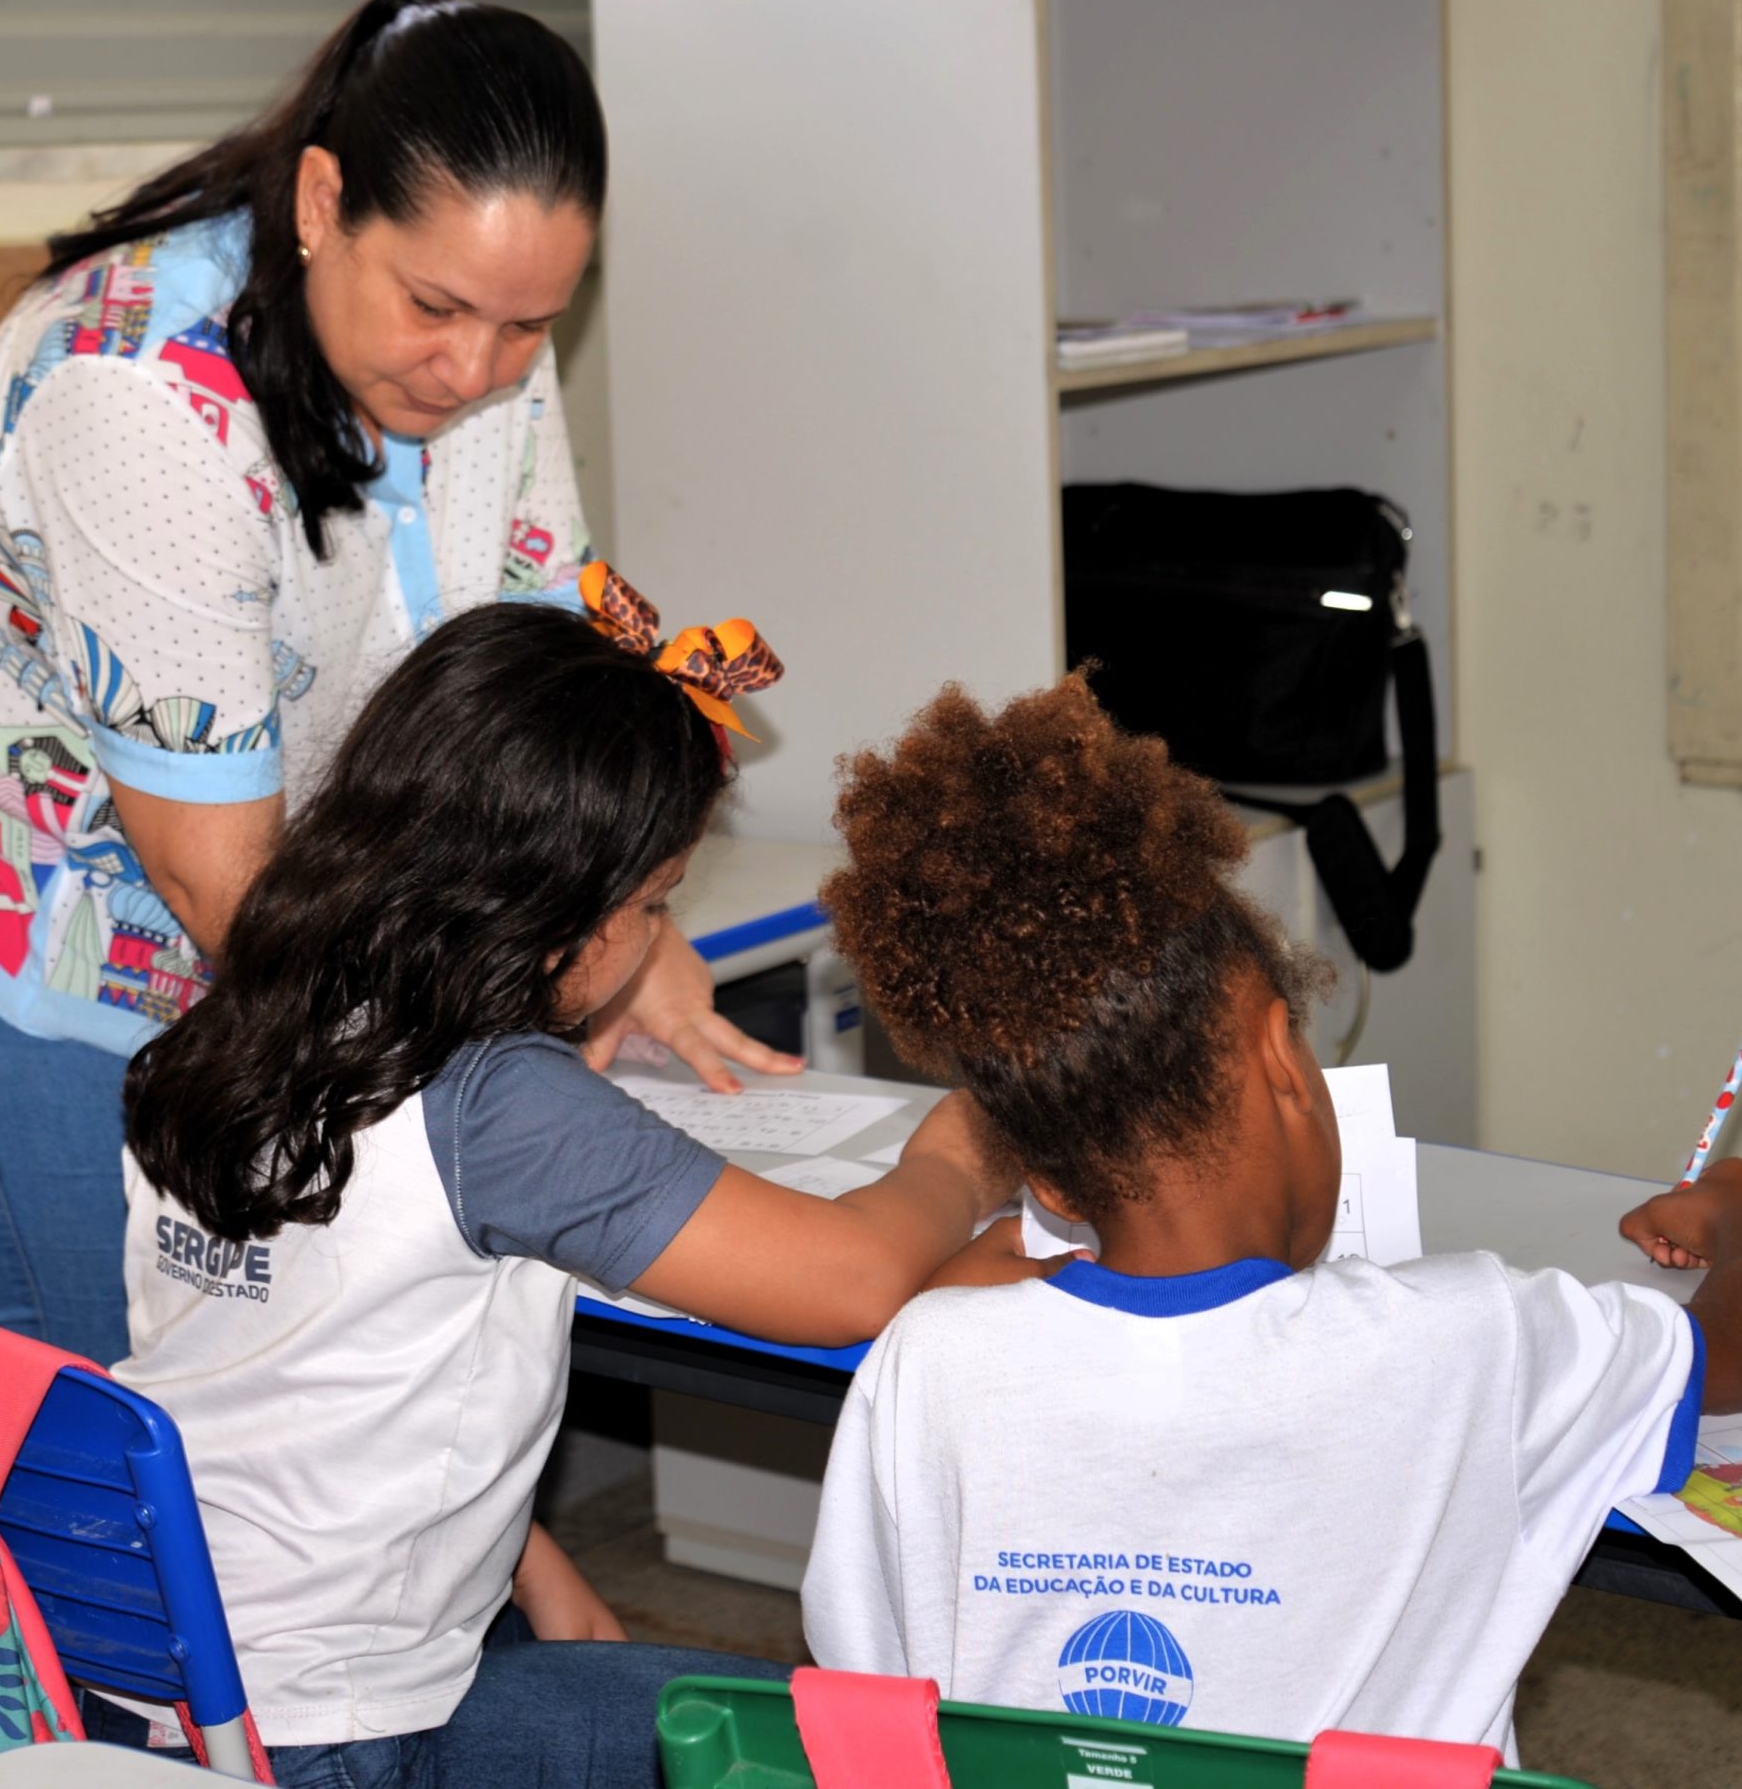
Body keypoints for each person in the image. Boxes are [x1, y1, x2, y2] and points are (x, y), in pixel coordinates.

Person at [0, 0, 789, 1367]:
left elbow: (532, 689)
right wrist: (499, 1078)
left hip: (319, 978)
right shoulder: (143, 395)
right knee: (137, 1472)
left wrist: (624, 927)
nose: (477, 367)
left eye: (531, 325)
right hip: (63, 986)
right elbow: (220, 880)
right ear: (321, 201)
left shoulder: (475, 348)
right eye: (438, 306)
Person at [89, 598, 1043, 1783]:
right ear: (548, 915)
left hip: (161, 1663)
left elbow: (303, 1390)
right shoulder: (496, 1102)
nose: (654, 937)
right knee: (837, 1747)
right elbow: (847, 1282)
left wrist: (531, 1563)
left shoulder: (223, 1035)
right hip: (334, 1733)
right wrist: (959, 1152)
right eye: (652, 903)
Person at [798, 676, 1742, 1758]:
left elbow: (873, 1708)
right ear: (1283, 1060)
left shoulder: (925, 1360)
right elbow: (1740, 1356)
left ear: (1046, 1181)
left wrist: (976, 1297)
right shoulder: (1472, 1337)